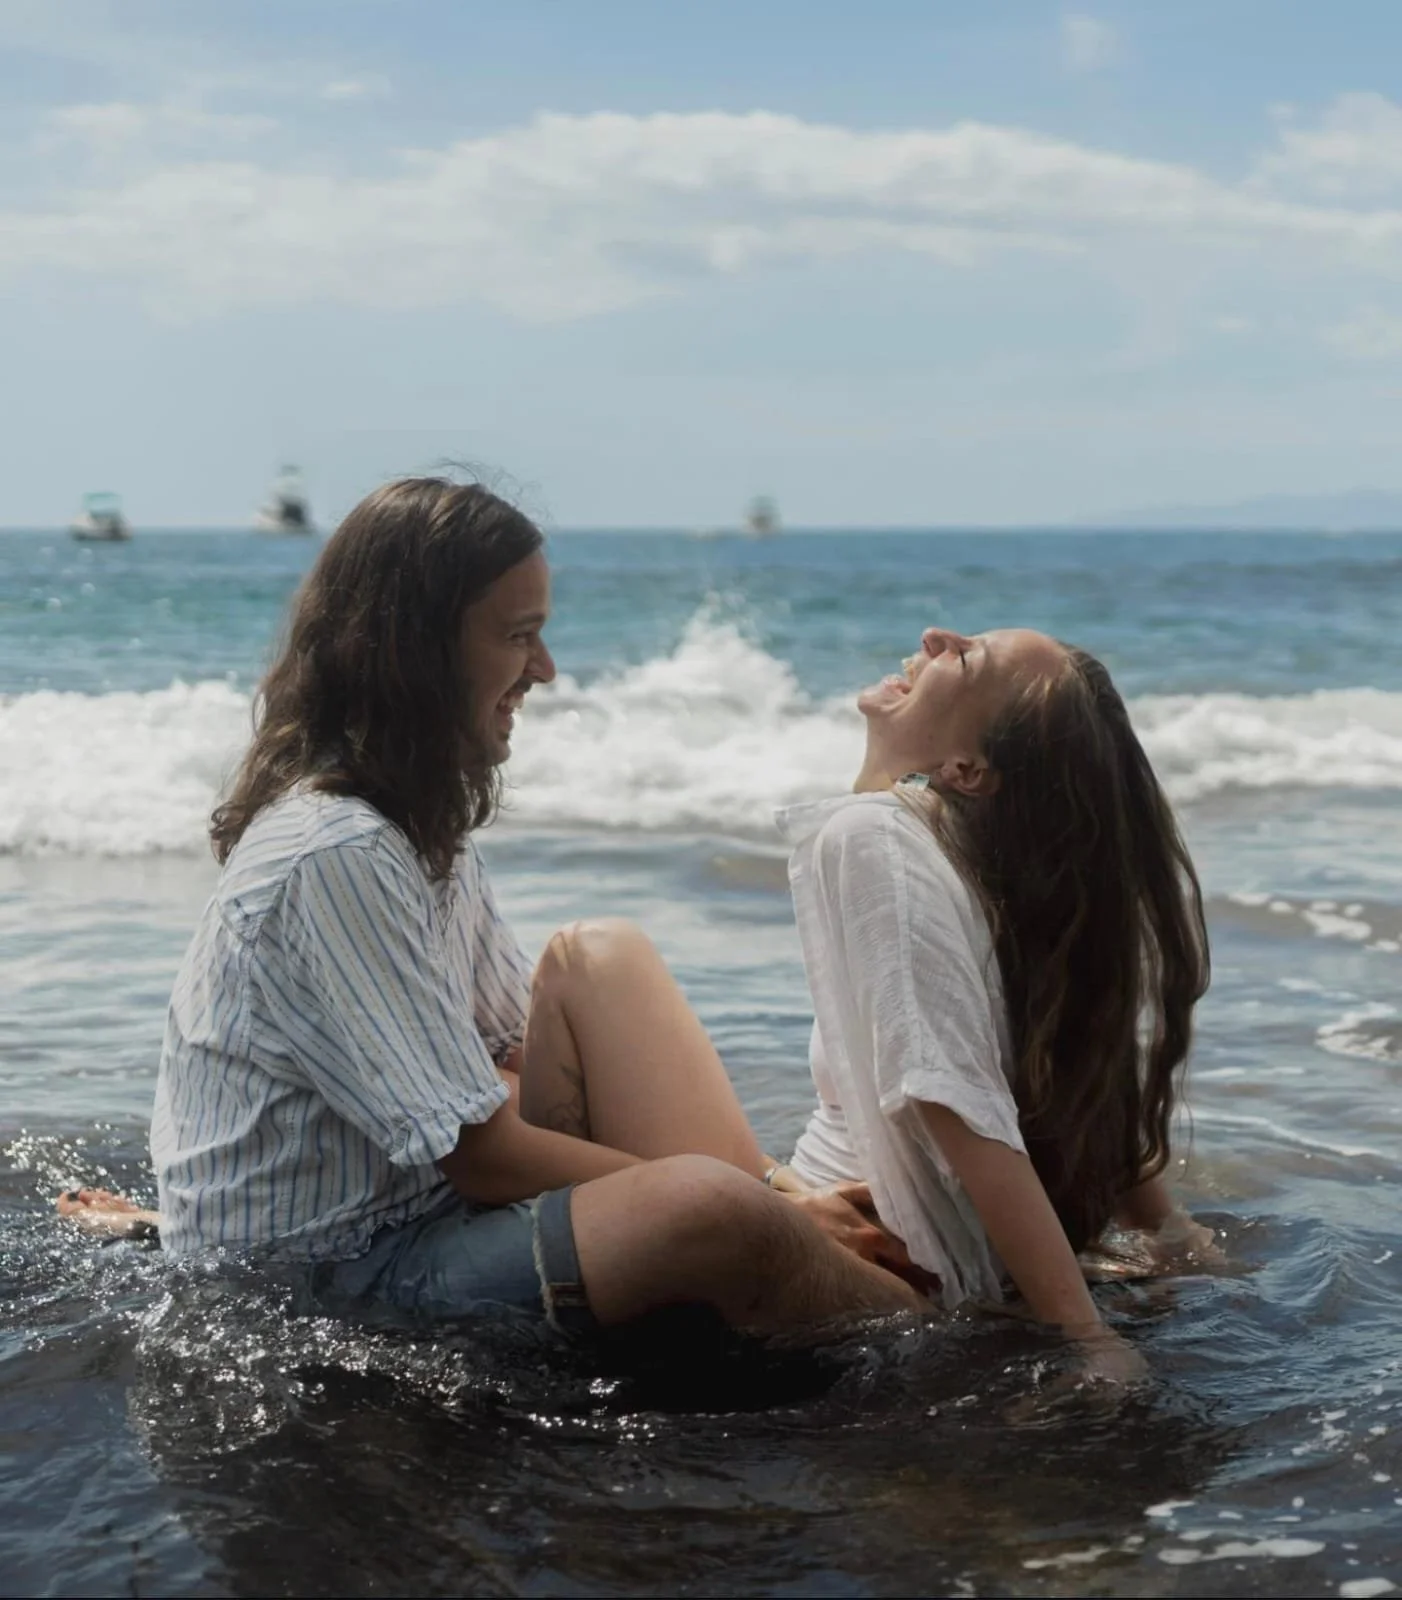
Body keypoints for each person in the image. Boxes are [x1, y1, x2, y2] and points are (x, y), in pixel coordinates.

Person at [61, 477, 924, 1342]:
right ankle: (942, 1329)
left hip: (421, 1210)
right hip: (339, 1269)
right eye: (520, 637)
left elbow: (513, 1056)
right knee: (710, 1213)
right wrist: (761, 1211)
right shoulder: (337, 852)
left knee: (605, 957)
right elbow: (482, 1154)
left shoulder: (417, 825)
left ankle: (822, 1252)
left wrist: (783, 1189)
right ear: (417, 653)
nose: (545, 670)